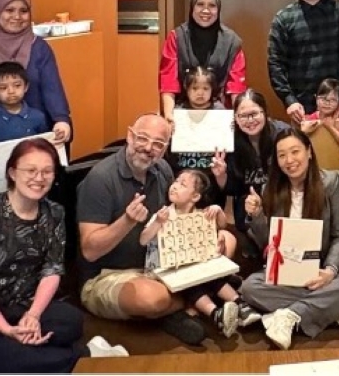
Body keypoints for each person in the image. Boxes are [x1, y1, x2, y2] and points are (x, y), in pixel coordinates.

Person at [0, 139, 120, 373]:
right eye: (30, 170)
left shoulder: (54, 212)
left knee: (70, 322)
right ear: (12, 172)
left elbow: (52, 270)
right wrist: (6, 329)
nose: (39, 178)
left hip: (23, 305)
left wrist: (33, 315)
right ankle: (81, 357)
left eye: (47, 171)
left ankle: (5, 358)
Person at [77, 114, 228, 346]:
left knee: (226, 239)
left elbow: (179, 215)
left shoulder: (162, 169)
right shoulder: (100, 179)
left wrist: (205, 236)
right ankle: (193, 300)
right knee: (150, 298)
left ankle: (180, 304)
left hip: (160, 265)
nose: (149, 148)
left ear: (165, 148)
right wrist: (127, 221)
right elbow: (90, 251)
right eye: (142, 139)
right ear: (129, 136)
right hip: (109, 275)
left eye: (158, 144)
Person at [239, 129, 339, 350]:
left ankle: (291, 315)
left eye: (295, 152)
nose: (289, 160)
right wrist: (257, 216)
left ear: (309, 152)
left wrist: (329, 272)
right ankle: (335, 308)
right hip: (289, 267)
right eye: (282, 155)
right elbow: (268, 243)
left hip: (324, 265)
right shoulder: (269, 188)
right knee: (249, 287)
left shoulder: (330, 183)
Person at [0, 0, 72, 200]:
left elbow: (52, 88)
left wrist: (61, 120)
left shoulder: (38, 47)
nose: (17, 16)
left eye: (23, 11)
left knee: (41, 200)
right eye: (9, 10)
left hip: (35, 136)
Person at [138, 170, 261, 339]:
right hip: (166, 269)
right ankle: (215, 313)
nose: (174, 186)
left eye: (183, 184)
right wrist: (158, 222)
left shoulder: (200, 215)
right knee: (192, 284)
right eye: (176, 182)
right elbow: (143, 240)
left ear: (195, 196)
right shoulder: (164, 214)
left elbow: (222, 224)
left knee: (211, 276)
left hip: (193, 265)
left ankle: (240, 304)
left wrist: (218, 210)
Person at [159, 0, 246, 121]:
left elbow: (236, 86)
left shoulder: (232, 41)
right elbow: (168, 81)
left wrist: (238, 116)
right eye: (200, 4)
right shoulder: (176, 37)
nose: (206, 10)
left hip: (219, 111)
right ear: (192, 7)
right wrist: (169, 115)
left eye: (212, 5)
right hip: (182, 110)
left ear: (218, 9)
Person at [224, 90, 291, 236]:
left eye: (254, 114)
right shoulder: (230, 140)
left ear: (265, 113)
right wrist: (220, 174)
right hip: (247, 203)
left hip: (280, 197)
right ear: (235, 118)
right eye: (242, 116)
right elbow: (233, 189)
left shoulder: (282, 133)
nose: (249, 120)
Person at [163, 66, 228, 208]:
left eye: (205, 88)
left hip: (210, 175)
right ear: (187, 89)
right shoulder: (177, 112)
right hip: (182, 171)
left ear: (212, 89)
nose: (200, 93)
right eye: (195, 88)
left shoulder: (220, 111)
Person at [0, 61, 50, 146]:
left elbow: (44, 145)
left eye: (17, 85)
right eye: (3, 88)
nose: (11, 91)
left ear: (26, 87)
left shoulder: (38, 117)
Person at [300, 78, 339, 146]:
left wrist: (330, 127)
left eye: (333, 100)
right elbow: (303, 142)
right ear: (316, 97)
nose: (327, 103)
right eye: (323, 98)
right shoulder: (310, 119)